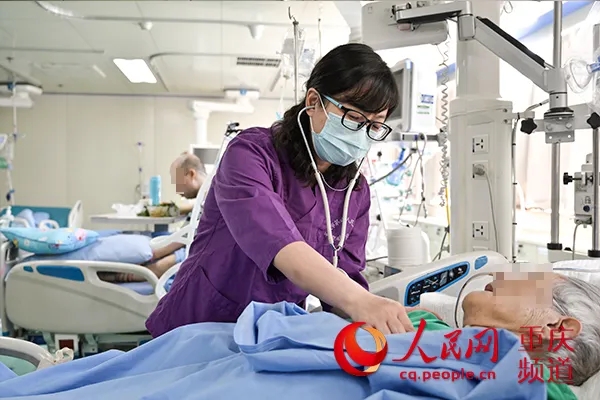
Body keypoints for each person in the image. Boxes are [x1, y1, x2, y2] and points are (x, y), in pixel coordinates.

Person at [146, 42, 415, 337]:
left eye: (375, 126)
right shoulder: (251, 154)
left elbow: (344, 283)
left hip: (275, 332)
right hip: (203, 323)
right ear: (314, 102)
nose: (362, 134)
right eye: (354, 118)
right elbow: (280, 245)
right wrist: (360, 301)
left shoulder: (355, 191)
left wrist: (386, 318)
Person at [410, 272, 600, 399]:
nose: (500, 277)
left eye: (527, 282)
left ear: (557, 329)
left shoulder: (535, 388)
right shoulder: (420, 324)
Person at [113, 152, 206, 282]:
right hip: (190, 244)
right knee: (157, 241)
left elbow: (184, 238)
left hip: (196, 251)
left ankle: (119, 276)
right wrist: (175, 209)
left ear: (191, 174)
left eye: (178, 182)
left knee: (165, 258)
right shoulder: (206, 195)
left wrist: (153, 254)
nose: (177, 190)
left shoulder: (210, 198)